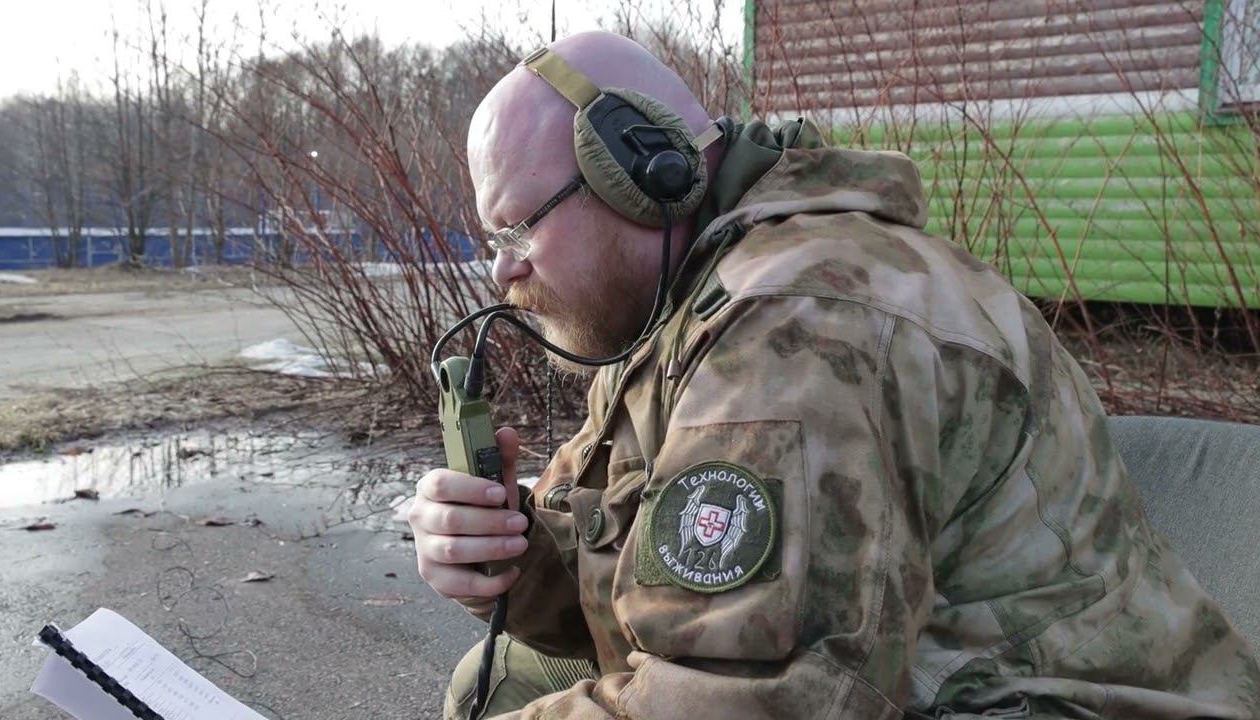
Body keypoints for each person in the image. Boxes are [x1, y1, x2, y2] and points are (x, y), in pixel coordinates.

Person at [404, 31, 1260, 719]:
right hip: (918, 672)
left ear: (637, 173)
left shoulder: (797, 325)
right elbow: (660, 576)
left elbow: (748, 697)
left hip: (1036, 700)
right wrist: (510, 556)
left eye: (516, 231)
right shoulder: (686, 303)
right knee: (504, 672)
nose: (501, 274)